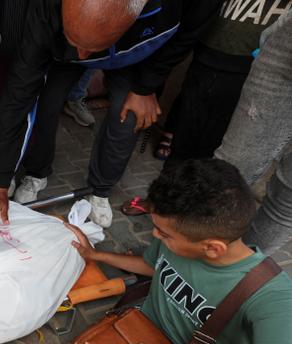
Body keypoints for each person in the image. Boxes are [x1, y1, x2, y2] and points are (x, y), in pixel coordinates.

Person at [0, 0, 222, 229]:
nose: (84, 56)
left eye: (90, 48)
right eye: (77, 42)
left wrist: (146, 86)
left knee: (129, 118)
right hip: (62, 52)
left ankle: (100, 191)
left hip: (134, 58)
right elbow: (18, 95)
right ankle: (37, 172)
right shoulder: (45, 12)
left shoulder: (185, 6)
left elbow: (186, 36)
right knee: (44, 103)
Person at [53, 159, 292, 344]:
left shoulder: (272, 298)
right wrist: (96, 256)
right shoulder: (173, 238)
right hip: (143, 332)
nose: (155, 235)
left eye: (164, 234)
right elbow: (151, 266)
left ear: (212, 248)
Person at [121, 2, 290, 217]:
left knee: (217, 156)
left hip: (251, 74)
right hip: (206, 59)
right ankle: (161, 201)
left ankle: (194, 214)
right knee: (183, 140)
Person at [216, 11, 292, 256]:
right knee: (226, 174)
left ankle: (236, 275)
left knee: (287, 198)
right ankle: (176, 261)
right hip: (286, 48)